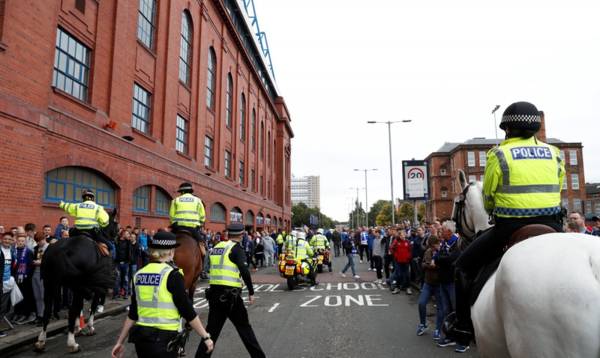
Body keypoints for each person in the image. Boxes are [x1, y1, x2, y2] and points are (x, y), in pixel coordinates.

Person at [452, 101, 565, 353]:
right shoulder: (555, 153)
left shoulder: (499, 153)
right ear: (536, 127)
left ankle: (461, 327)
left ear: (508, 129)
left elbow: (489, 193)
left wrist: (494, 209)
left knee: (461, 267)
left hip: (510, 226)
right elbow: (559, 186)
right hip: (553, 224)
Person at [111, 231, 213, 358]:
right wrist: (205, 336)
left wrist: (120, 342)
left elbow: (133, 313)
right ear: (170, 252)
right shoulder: (173, 275)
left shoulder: (138, 275)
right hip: (165, 339)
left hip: (141, 340)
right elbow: (187, 310)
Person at [195, 224, 265, 358]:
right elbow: (245, 270)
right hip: (230, 297)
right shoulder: (236, 249)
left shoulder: (217, 247)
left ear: (228, 234)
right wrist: (251, 292)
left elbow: (208, 267)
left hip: (214, 294)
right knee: (245, 330)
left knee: (211, 332)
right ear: (241, 234)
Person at [417, 236, 443, 341]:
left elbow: (445, 265)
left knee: (440, 307)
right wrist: (428, 265)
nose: (432, 248)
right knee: (421, 303)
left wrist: (435, 266)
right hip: (428, 283)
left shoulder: (442, 251)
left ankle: (438, 329)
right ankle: (423, 324)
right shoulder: (427, 251)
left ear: (437, 244)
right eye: (431, 247)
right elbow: (423, 263)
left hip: (438, 284)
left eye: (434, 246)